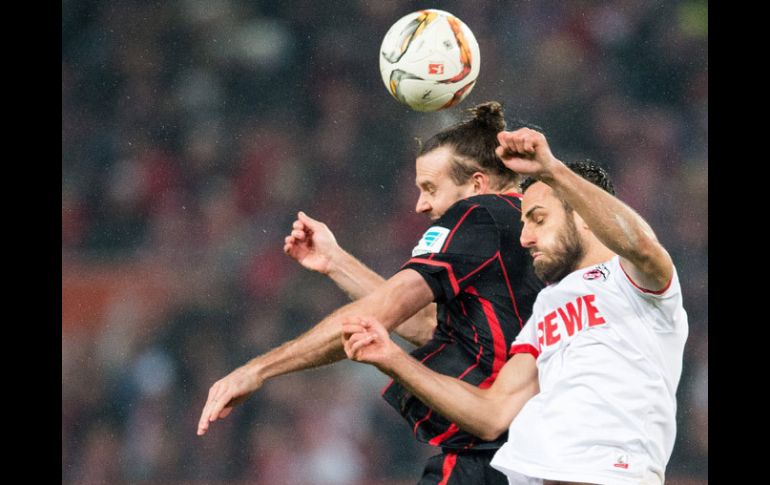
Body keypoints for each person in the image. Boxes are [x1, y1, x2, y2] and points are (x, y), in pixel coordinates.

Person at [197, 102, 545, 485]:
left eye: (431, 188)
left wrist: (258, 370)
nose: (421, 204)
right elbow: (427, 325)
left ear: (477, 185)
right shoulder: (525, 229)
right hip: (528, 452)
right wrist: (336, 262)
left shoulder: (479, 215)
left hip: (487, 457)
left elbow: (375, 317)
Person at [342, 127, 689, 485]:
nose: (525, 238)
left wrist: (552, 169)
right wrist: (393, 359)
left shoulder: (635, 281)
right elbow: (491, 413)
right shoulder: (547, 305)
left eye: (538, 219)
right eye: (523, 223)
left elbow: (641, 246)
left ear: (584, 216)